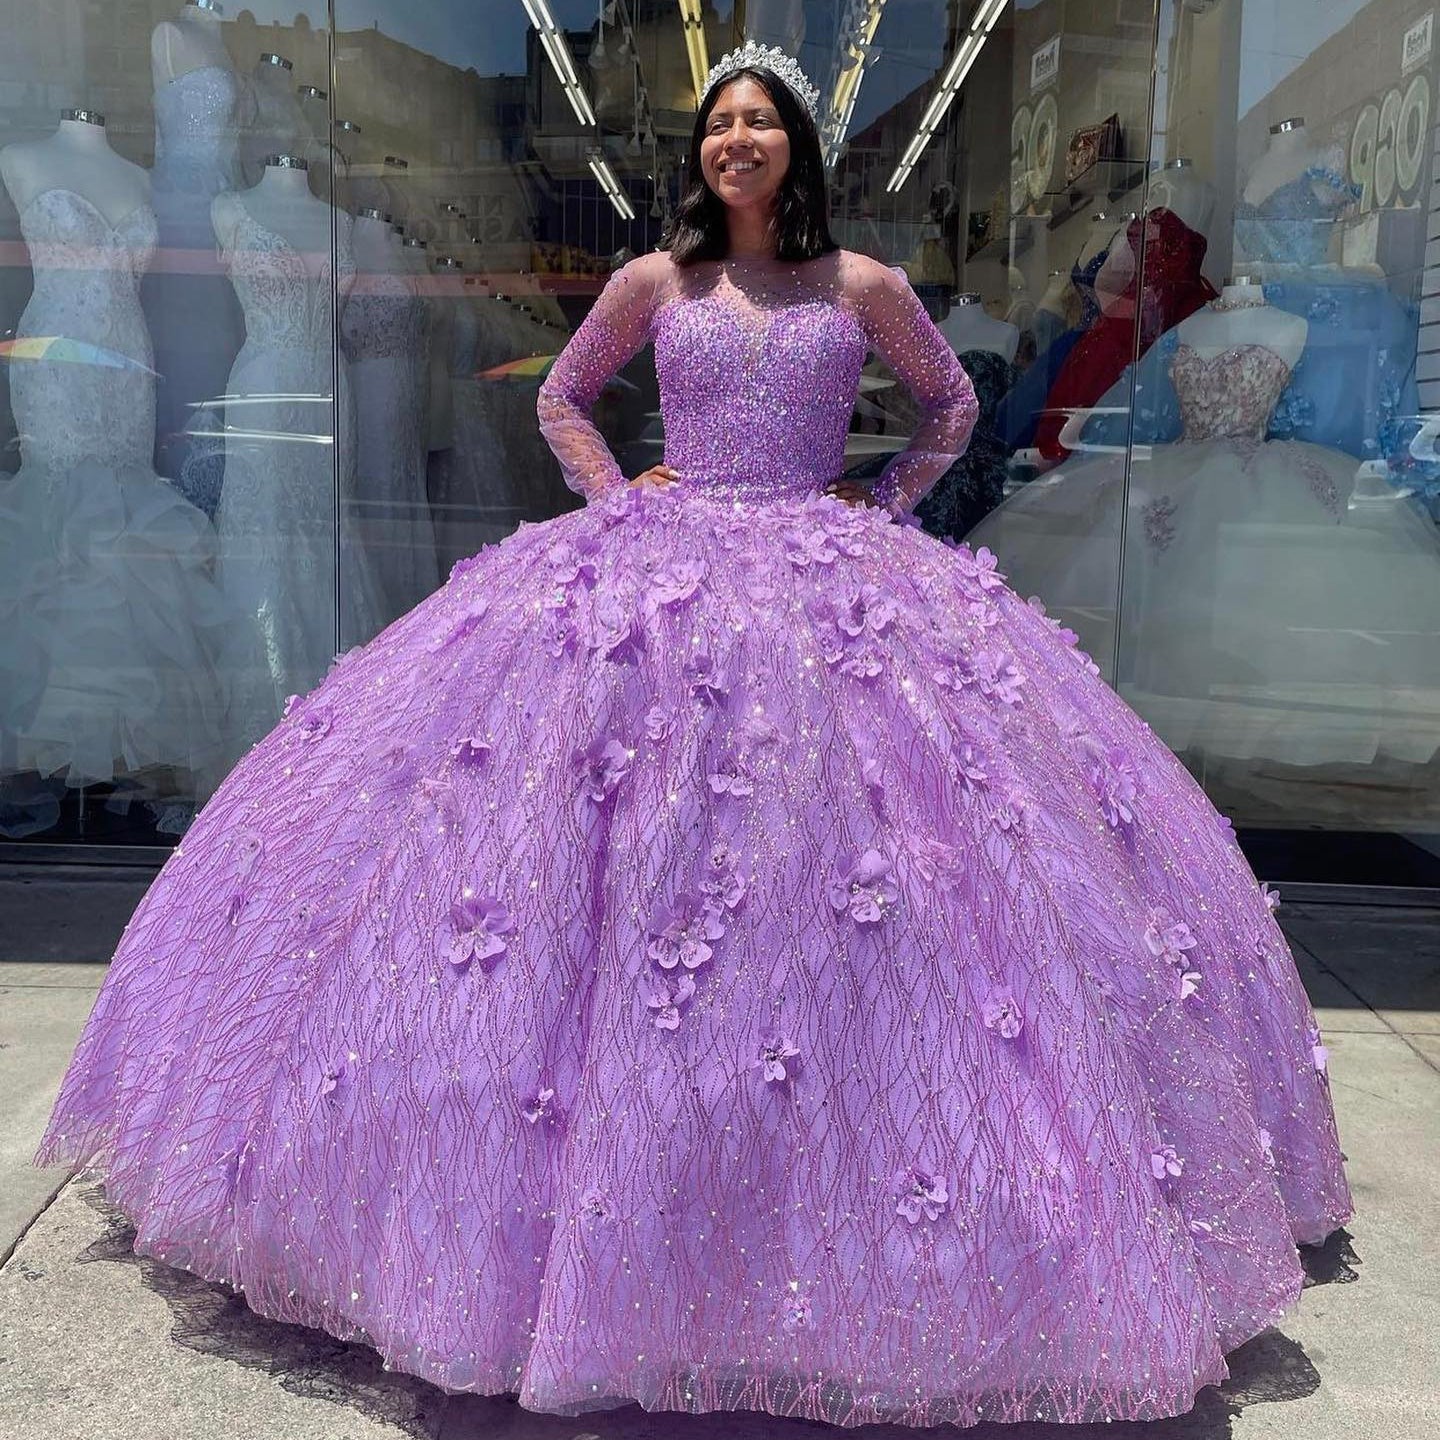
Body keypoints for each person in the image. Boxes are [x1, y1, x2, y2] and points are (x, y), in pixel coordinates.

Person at [38, 42, 1350, 1430]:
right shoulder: (656, 283)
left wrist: (882, 503)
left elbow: (955, 407)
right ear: (701, 152)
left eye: (760, 123)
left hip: (823, 568)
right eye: (720, 124)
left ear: (795, 148)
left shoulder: (862, 287)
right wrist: (614, 497)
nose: (737, 141)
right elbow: (560, 396)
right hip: (659, 562)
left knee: (851, 870)